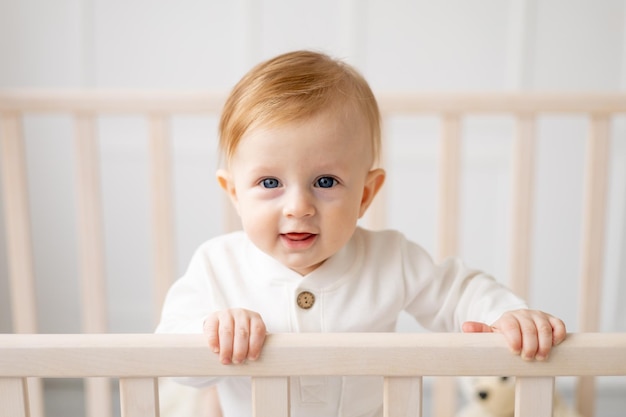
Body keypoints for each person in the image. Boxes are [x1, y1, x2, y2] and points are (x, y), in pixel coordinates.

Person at [156, 50, 566, 417]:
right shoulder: (217, 265)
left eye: (326, 181)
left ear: (366, 193)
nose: (298, 206)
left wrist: (505, 315)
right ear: (233, 193)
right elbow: (169, 357)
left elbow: (458, 291)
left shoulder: (389, 258)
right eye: (269, 183)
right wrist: (212, 330)